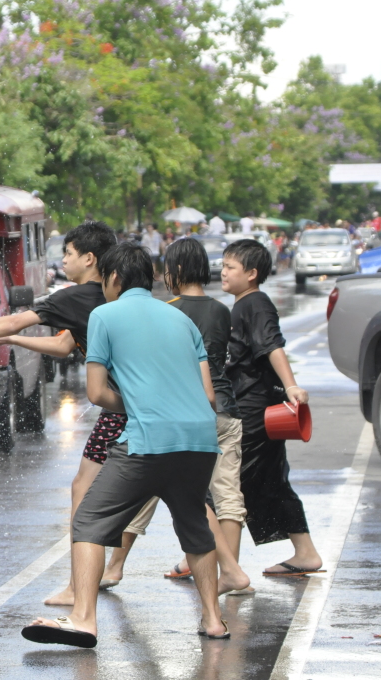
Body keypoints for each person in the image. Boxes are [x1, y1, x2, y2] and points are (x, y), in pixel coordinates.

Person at [23, 242, 227, 647]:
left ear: (114, 278)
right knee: (194, 527)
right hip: (201, 438)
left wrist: (137, 403)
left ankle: (83, 617)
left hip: (148, 439)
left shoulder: (104, 315)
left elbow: (98, 393)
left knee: (89, 522)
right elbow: (207, 395)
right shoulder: (181, 318)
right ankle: (214, 619)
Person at [0, 222, 121, 607]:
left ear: (89, 259)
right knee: (177, 492)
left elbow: (18, 316)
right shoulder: (105, 297)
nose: (63, 261)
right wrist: (10, 341)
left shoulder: (76, 295)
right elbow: (65, 344)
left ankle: (78, 587)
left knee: (86, 494)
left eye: (67, 254)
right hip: (140, 406)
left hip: (123, 409)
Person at [101, 238, 251, 595]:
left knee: (145, 491)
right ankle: (229, 571)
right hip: (225, 411)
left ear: (175, 271)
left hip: (177, 413)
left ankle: (115, 566)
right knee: (227, 495)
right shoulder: (220, 309)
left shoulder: (168, 310)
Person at [220, 239, 323, 576]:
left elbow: (272, 346)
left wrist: (291, 385)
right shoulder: (243, 304)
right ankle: (304, 551)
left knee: (228, 478)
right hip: (254, 404)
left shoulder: (256, 304)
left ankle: (212, 558)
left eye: (230, 267)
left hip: (254, 406)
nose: (222, 272)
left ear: (251, 274)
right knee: (268, 478)